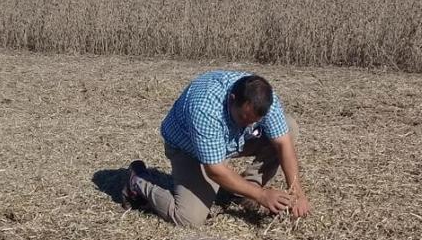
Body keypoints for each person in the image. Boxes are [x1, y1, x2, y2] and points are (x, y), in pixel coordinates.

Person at [123, 71, 310, 227]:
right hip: (189, 151)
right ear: (232, 99)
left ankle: (245, 191)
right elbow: (215, 170)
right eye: (243, 117)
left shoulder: (265, 98)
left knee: (289, 128)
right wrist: (262, 196)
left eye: (253, 121)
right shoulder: (205, 107)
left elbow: (284, 144)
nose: (248, 125)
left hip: (228, 142)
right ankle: (138, 180)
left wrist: (297, 192)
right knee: (188, 218)